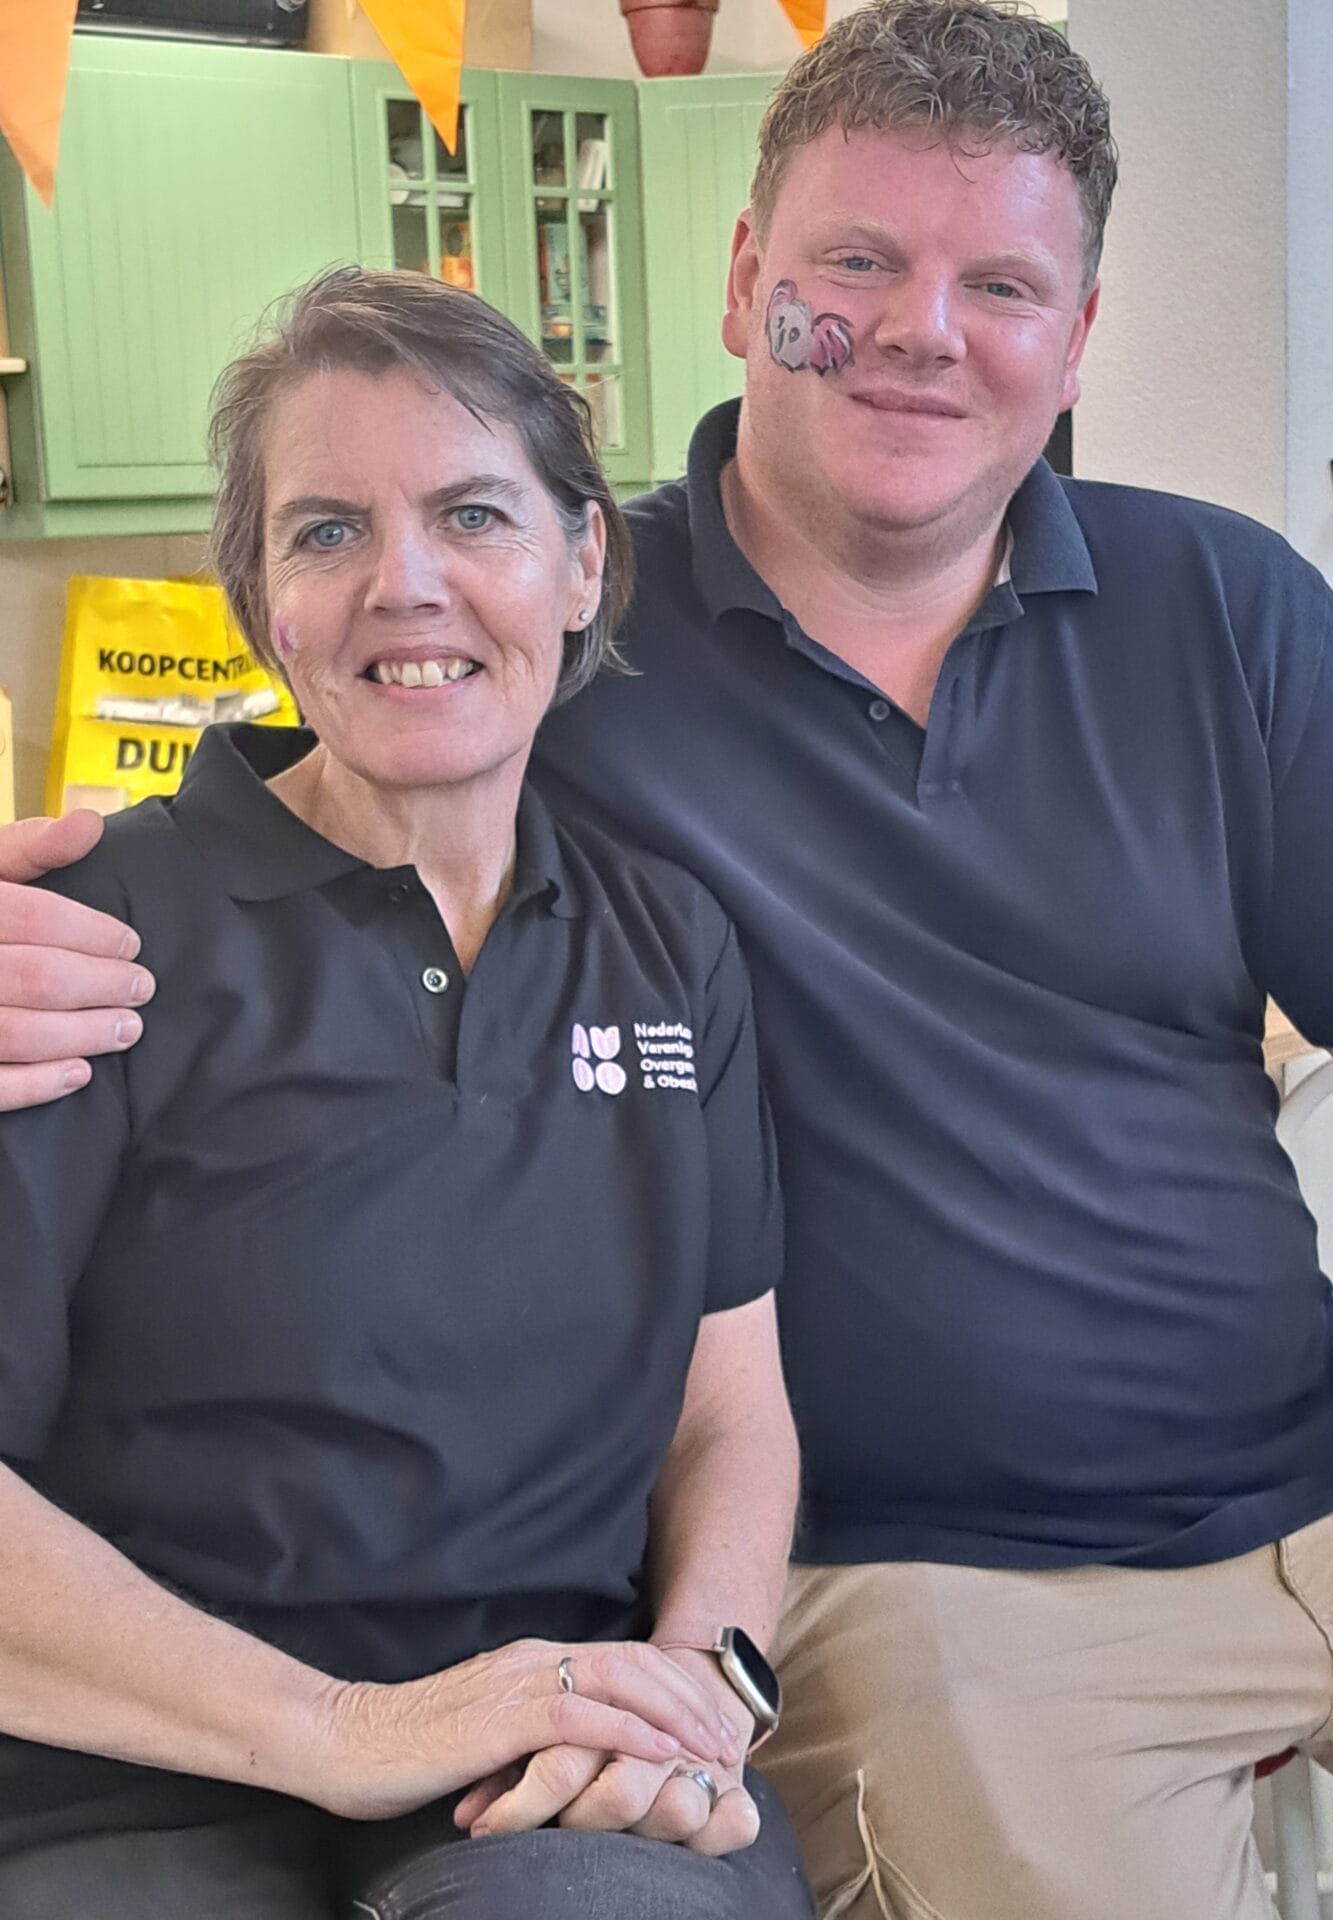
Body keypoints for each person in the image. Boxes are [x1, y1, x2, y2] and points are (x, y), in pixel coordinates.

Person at [5, 3, 1333, 1916]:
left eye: (1000, 280)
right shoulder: (563, 640)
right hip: (951, 1590)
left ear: (1074, 337)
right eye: (857, 261)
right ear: (748, 279)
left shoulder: (1228, 612)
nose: (923, 327)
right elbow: (354, 733)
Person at [0, 268, 816, 1920]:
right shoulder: (84, 941)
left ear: (584, 563)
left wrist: (702, 1691)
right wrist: (346, 1729)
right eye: (325, 533)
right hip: (129, 1773)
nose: (407, 586)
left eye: (472, 515)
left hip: (540, 1762)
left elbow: (728, 1412)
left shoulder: (671, 949)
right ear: (259, 606)